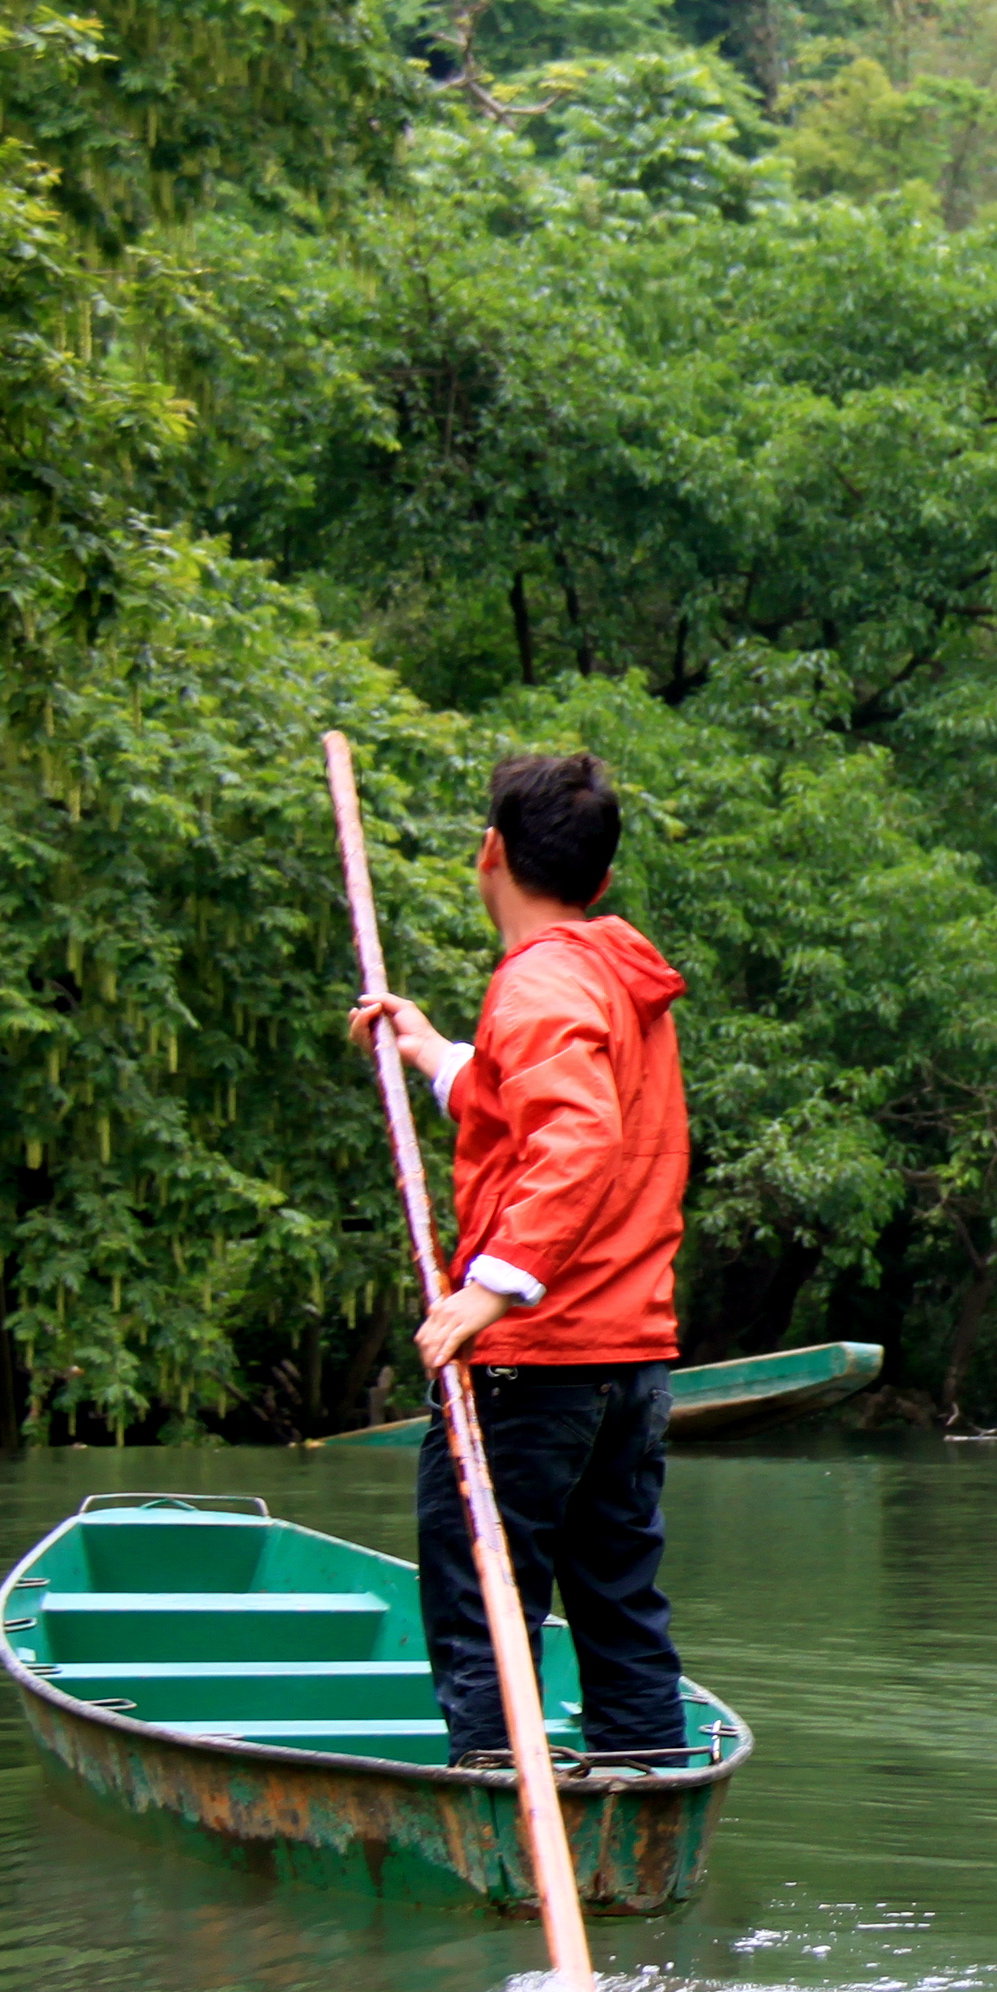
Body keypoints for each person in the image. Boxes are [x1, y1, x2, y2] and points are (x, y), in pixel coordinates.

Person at [345, 750, 697, 1773]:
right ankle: (647, 1789)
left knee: (478, 1584)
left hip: (537, 1357)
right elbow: (525, 1106)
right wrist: (432, 1053)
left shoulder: (539, 982)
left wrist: (489, 1291)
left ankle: (498, 1795)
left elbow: (576, 1141)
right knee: (617, 1591)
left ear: (491, 852)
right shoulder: (605, 974)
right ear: (601, 878)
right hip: (629, 1359)